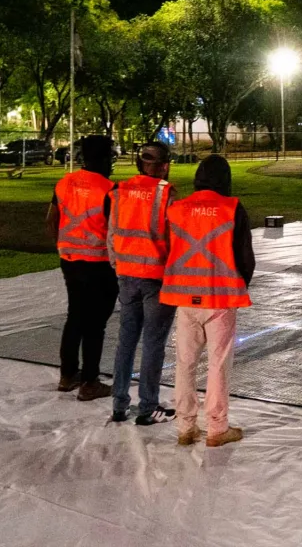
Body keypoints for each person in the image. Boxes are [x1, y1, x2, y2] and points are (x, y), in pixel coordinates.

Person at [162, 156, 255, 448]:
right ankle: (217, 427)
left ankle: (185, 426)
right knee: (218, 364)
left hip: (185, 298)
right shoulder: (231, 208)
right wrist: (240, 284)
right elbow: (244, 256)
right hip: (220, 299)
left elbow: (170, 248)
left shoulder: (177, 209)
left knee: (185, 363)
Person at [106, 141, 177, 425]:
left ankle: (119, 404)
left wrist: (119, 266)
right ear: (164, 165)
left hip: (126, 275)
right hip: (156, 278)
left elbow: (112, 234)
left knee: (126, 341)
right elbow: (173, 237)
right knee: (153, 343)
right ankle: (148, 406)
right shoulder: (165, 193)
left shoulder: (120, 191)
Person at [45, 135, 118, 400]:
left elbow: (51, 220)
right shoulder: (109, 189)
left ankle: (67, 375)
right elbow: (116, 231)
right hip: (99, 263)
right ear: (104, 158)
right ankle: (90, 381)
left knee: (75, 316)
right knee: (95, 324)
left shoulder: (64, 183)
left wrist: (62, 246)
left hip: (70, 260)